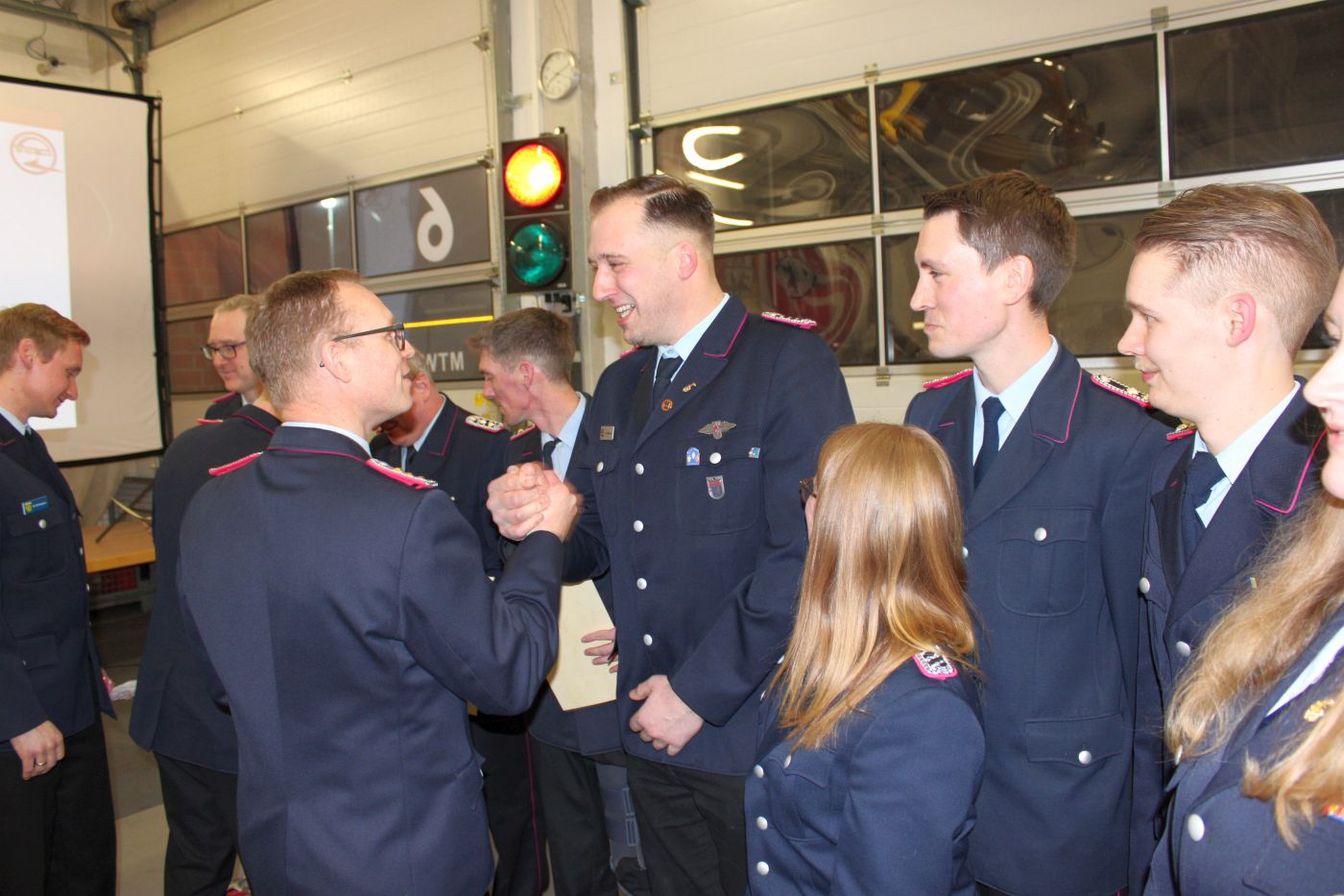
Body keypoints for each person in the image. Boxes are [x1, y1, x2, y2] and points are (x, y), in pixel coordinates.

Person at [489, 175, 855, 896]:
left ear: (683, 259)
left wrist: (696, 694)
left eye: (614, 264)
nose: (599, 288)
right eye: (597, 266)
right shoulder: (621, 385)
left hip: (750, 727)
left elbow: (808, 554)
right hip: (651, 722)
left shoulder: (786, 365)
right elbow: (596, 540)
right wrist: (534, 521)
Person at [177, 269, 578, 895]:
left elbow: (222, 680)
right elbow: (507, 676)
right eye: (390, 334)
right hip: (402, 855)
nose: (408, 350)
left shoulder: (214, 503)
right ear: (335, 357)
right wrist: (543, 539)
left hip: (279, 847)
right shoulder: (406, 514)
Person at [903, 170, 1167, 895]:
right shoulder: (929, 419)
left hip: (1056, 824)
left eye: (936, 273)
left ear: (1014, 278)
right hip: (932, 795)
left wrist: (1144, 851)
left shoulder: (1124, 440)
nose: (918, 298)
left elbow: (1144, 669)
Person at [1118, 183, 1337, 891]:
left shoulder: (1324, 503)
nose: (1127, 343)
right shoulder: (1166, 470)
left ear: (1236, 320)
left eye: (1148, 317)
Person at [746, 422, 983, 895]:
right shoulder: (834, 654)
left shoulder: (920, 713)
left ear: (844, 525)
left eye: (814, 490)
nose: (806, 504)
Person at [472, 307, 650, 896]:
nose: (485, 390)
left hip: (615, 681)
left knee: (637, 859)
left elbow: (658, 546)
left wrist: (639, 625)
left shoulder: (625, 430)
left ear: (525, 373)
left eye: (491, 375)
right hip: (552, 693)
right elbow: (504, 556)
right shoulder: (512, 452)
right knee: (575, 860)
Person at [371, 348, 550, 896]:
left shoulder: (489, 444)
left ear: (421, 385)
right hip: (411, 666)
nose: (385, 423)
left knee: (513, 802)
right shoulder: (378, 451)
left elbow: (513, 553)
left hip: (480, 648)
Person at [131, 330, 280, 896]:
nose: (223, 359)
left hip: (179, 702)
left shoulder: (191, 446)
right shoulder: (281, 460)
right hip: (243, 712)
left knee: (196, 862)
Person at [0, 303, 116, 895]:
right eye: (68, 373)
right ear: (27, 355)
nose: (73, 391)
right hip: (22, 719)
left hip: (68, 700)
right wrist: (17, 715)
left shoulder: (25, 445)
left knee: (85, 867)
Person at [199, 294, 262, 423]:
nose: (217, 362)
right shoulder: (217, 414)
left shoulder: (293, 414)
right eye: (213, 349)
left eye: (229, 347)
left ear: (261, 345)